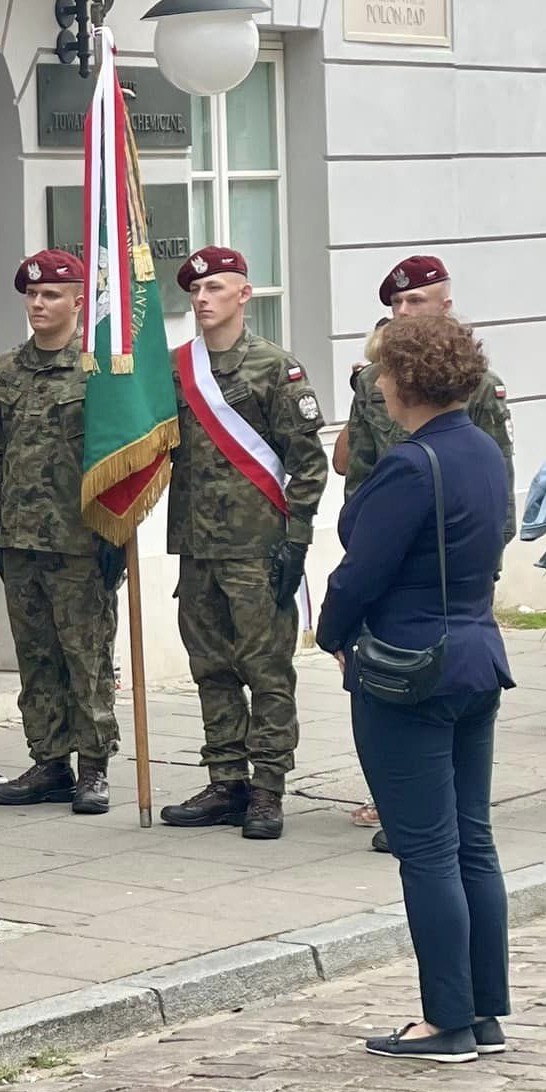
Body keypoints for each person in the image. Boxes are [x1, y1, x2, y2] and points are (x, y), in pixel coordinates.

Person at [316, 313, 514, 1063]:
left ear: (401, 380)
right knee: (472, 843)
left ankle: (447, 1021)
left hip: (408, 665)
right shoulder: (484, 451)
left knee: (428, 849)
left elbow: (362, 572)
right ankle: (484, 1012)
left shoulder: (410, 464)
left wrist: (333, 634)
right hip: (474, 652)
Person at [159, 247, 328, 841]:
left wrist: (297, 543)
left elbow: (309, 465)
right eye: (196, 291)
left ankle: (268, 788)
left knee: (267, 670)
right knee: (210, 668)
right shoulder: (178, 368)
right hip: (197, 547)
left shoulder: (275, 369)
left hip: (258, 548)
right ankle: (226, 778)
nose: (203, 299)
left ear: (243, 295)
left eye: (216, 288)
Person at [0, 250, 120, 816]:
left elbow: (124, 457)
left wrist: (117, 532)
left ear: (79, 301)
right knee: (36, 656)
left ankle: (94, 767)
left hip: (81, 540)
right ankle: (49, 761)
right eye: (32, 295)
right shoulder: (6, 370)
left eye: (52, 295)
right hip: (19, 538)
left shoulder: (103, 370)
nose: (38, 303)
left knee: (85, 656)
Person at [338, 254, 516, 542]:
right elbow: (359, 474)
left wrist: (490, 556)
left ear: (445, 307)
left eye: (415, 300)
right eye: (396, 302)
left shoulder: (478, 383)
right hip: (386, 537)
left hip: (455, 542)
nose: (402, 311)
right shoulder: (373, 380)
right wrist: (356, 538)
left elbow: (498, 478)